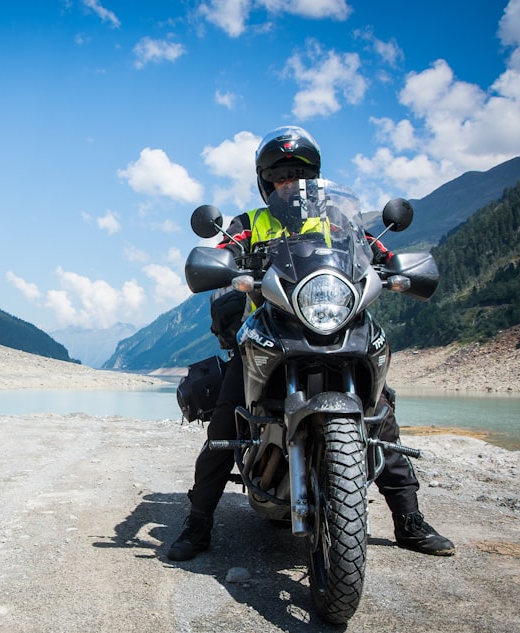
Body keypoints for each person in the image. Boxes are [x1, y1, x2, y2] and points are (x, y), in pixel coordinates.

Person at [168, 126, 455, 562]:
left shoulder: (338, 221)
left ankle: (408, 519)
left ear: (314, 178)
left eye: (298, 175)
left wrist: (390, 262)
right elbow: (226, 250)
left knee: (381, 413)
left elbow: (369, 250)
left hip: (335, 320)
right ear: (267, 182)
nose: (290, 184)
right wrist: (226, 261)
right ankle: (198, 522)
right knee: (226, 418)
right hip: (269, 328)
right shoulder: (248, 224)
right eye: (281, 176)